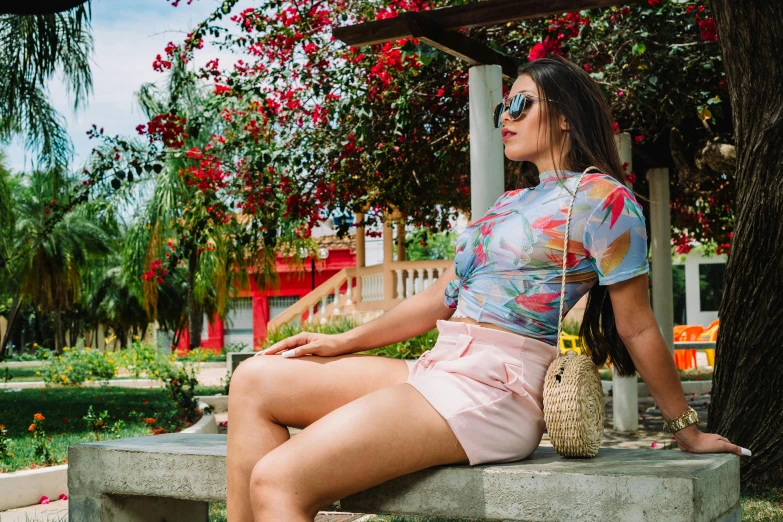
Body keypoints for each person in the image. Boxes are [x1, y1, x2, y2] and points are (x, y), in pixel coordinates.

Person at [226, 55, 749, 521]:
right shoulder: (507, 205)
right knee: (255, 380)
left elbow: (635, 325)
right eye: (503, 108)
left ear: (566, 115)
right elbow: (439, 298)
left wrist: (686, 427)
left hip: (495, 391)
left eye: (521, 103)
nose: (507, 118)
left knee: (279, 479)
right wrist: (342, 342)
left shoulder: (603, 201)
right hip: (439, 368)